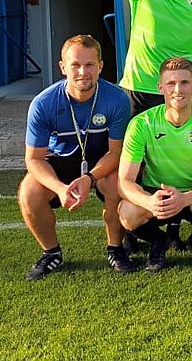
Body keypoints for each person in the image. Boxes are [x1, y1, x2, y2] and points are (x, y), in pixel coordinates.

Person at [19, 35, 135, 280]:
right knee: (29, 191)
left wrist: (89, 178)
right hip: (61, 160)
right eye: (75, 65)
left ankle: (116, 248)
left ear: (100, 66)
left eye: (90, 64)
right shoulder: (43, 103)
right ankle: (51, 253)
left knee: (117, 182)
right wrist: (60, 188)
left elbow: (116, 152)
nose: (83, 72)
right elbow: (34, 159)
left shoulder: (117, 99)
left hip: (102, 160)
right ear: (63, 67)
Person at [117, 58, 192, 272]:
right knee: (128, 212)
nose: (178, 90)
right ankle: (158, 241)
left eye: (184, 83)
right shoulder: (141, 123)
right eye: (171, 83)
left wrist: (184, 199)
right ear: (160, 87)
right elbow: (124, 182)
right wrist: (148, 201)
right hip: (157, 193)